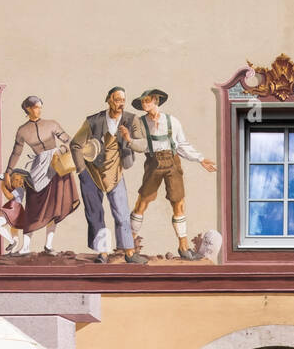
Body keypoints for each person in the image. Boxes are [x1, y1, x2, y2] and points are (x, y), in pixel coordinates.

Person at [123, 88, 216, 260]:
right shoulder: (139, 123)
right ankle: (130, 248)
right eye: (142, 101)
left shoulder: (172, 121)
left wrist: (200, 159)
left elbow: (182, 145)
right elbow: (134, 144)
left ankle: (183, 247)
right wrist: (128, 141)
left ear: (156, 100)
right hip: (153, 163)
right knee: (141, 203)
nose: (145, 104)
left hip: (172, 163)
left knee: (178, 204)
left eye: (147, 100)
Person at [70, 87, 149, 265]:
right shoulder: (94, 120)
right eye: (116, 100)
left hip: (115, 173)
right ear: (108, 100)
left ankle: (129, 252)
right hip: (92, 172)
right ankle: (103, 253)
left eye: (122, 100)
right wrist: (82, 170)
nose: (120, 104)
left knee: (121, 214)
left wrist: (129, 139)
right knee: (95, 214)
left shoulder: (131, 119)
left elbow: (143, 145)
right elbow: (75, 144)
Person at [4, 96, 79, 252]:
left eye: (40, 107)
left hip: (57, 167)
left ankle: (48, 245)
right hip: (38, 170)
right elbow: (16, 152)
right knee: (32, 207)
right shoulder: (22, 130)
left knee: (55, 207)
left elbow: (68, 140)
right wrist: (8, 172)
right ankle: (25, 247)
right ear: (28, 109)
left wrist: (64, 149)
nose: (39, 110)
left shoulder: (51, 124)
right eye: (36, 107)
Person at [0, 168, 32, 255]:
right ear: (12, 180)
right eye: (17, 179)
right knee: (14, 231)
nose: (19, 181)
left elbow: (9, 196)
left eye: (20, 180)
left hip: (13, 209)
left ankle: (11, 242)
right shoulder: (16, 189)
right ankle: (13, 251)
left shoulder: (19, 189)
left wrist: (2, 184)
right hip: (15, 209)